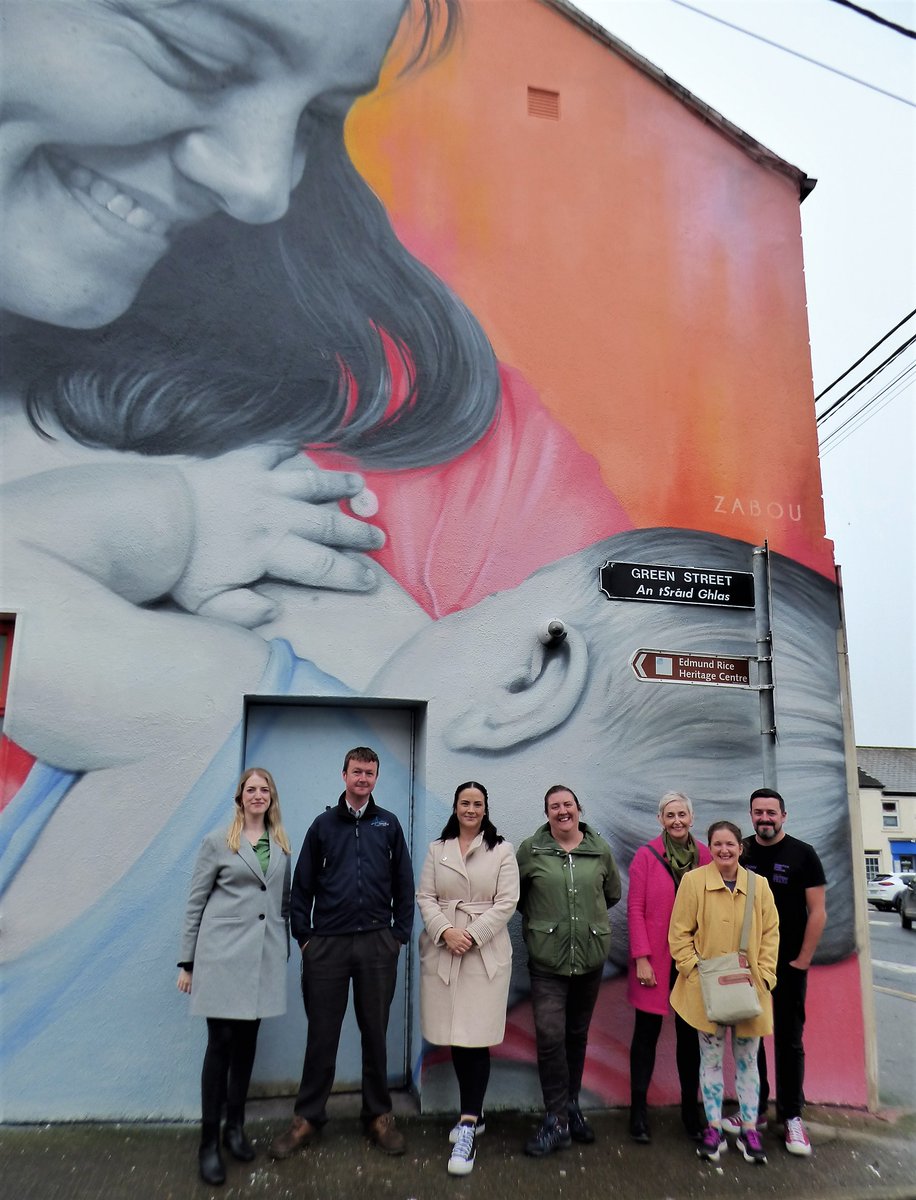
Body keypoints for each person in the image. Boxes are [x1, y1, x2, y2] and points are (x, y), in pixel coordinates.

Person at [270, 747, 414, 1158]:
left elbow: (404, 884)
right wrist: (306, 939)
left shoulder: (388, 825)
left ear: (376, 778)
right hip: (327, 946)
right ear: (344, 775)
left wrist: (397, 936)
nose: (363, 778)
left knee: (375, 1033)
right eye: (357, 772)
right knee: (322, 1036)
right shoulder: (323, 826)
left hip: (376, 945)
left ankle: (377, 1116)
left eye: (370, 773)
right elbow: (302, 889)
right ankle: (308, 1117)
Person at [177, 767, 292, 1186]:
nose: (257, 795)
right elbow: (195, 903)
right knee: (220, 1044)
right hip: (220, 957)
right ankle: (208, 1142)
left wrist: (287, 946)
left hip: (262, 959)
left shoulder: (280, 846)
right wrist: (186, 962)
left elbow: (285, 902)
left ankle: (235, 1129)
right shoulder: (217, 843)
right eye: (251, 789)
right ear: (239, 798)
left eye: (264, 789)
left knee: (246, 1045)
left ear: (271, 798)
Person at [416, 781, 519, 1175]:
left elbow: (507, 901)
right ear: (456, 807)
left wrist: (472, 934)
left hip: (484, 954)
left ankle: (469, 1125)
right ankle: (472, 1114)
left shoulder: (502, 850)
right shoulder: (437, 849)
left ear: (485, 808)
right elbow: (424, 896)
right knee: (457, 1036)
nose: (470, 809)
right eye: (464, 803)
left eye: (477, 803)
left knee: (476, 1037)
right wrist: (445, 931)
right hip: (445, 949)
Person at [720, 788, 827, 1157]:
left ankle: (792, 1116)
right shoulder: (741, 850)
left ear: (784, 815)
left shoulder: (803, 854)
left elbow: (818, 912)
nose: (764, 818)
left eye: (771, 812)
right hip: (749, 968)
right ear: (750, 815)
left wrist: (802, 961)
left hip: (789, 965)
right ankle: (756, 1110)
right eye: (758, 812)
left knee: (789, 1039)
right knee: (752, 1038)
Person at [516, 785, 621, 1157]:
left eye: (568, 805)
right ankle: (555, 1120)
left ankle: (571, 1107)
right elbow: (519, 899)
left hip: (590, 960)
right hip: (548, 963)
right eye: (554, 806)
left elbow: (611, 894)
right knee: (550, 1038)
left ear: (579, 808)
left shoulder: (599, 849)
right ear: (547, 813)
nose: (562, 811)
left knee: (576, 1035)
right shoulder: (531, 850)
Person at [668, 820, 779, 1167]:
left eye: (730, 844)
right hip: (707, 993)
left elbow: (772, 933)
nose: (724, 850)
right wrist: (693, 971)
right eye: (717, 844)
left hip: (751, 990)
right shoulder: (693, 882)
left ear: (740, 847)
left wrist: (766, 976)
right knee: (710, 1062)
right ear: (710, 847)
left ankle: (749, 1129)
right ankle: (713, 1127)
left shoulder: (758, 886)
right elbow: (679, 933)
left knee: (748, 1064)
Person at [626, 791, 712, 1144]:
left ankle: (691, 1113)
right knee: (645, 1036)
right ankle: (638, 1113)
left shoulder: (706, 855)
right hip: (655, 961)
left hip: (694, 961)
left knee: (690, 1040)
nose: (676, 821)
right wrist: (641, 957)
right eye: (669, 815)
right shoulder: (646, 857)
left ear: (691, 818)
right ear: (660, 820)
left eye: (682, 814)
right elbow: (634, 909)